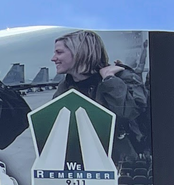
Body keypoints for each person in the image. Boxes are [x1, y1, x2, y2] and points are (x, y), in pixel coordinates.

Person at [51, 29, 148, 163]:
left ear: (79, 53)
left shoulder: (122, 78)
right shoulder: (66, 86)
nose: (53, 58)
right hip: (81, 162)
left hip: (123, 164)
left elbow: (130, 112)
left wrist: (109, 80)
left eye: (59, 52)